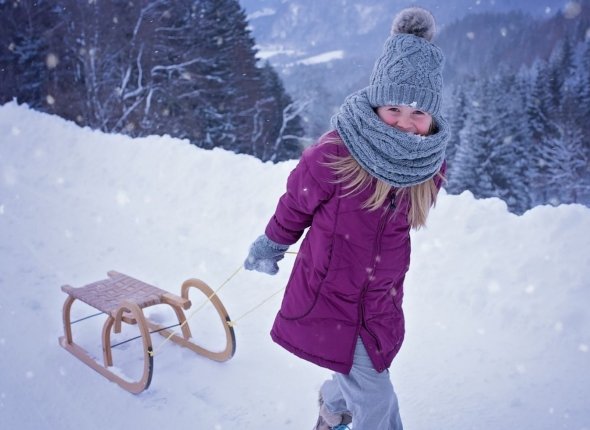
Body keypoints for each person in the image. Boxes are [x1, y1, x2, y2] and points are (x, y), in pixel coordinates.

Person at [244, 7, 449, 430]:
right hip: (331, 293)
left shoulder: (427, 167)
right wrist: (271, 244)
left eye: (417, 114)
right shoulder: (335, 154)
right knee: (376, 399)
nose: (404, 124)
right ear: (375, 103)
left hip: (380, 297)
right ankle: (344, 405)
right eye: (393, 108)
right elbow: (295, 206)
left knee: (363, 369)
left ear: (432, 119)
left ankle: (334, 405)